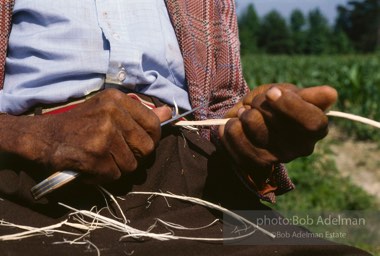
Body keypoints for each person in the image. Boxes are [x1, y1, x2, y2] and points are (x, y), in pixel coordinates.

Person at [0, 1, 371, 255]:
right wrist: (29, 136)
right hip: (25, 190)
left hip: (191, 190)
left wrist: (250, 139)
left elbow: (222, 103)